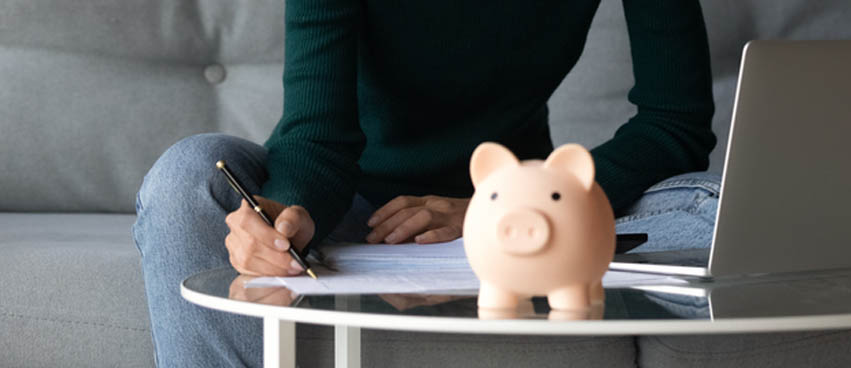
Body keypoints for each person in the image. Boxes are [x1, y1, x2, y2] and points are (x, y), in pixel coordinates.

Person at [133, 1, 721, 366]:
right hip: (354, 205)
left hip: (520, 218)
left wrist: (488, 213)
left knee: (721, 213)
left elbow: (676, 121)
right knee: (188, 176)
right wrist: (287, 214)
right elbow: (318, 137)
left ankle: (525, 250)